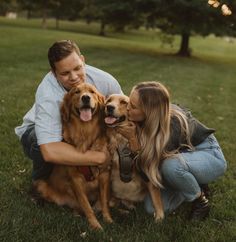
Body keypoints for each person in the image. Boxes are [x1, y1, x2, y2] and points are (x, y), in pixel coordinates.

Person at [116, 81, 227, 220]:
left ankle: (200, 201)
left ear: (149, 112)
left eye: (133, 106)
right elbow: (147, 175)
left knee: (170, 167)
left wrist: (133, 140)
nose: (127, 109)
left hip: (208, 154)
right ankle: (193, 182)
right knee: (151, 208)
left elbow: (148, 168)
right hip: (182, 158)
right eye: (128, 103)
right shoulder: (144, 122)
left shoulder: (172, 126)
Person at [15, 40, 123, 182]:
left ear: (82, 60)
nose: (74, 77)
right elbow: (49, 151)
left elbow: (124, 112)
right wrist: (100, 158)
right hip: (37, 133)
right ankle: (41, 180)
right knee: (39, 139)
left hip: (82, 130)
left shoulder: (105, 80)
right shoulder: (48, 95)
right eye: (65, 73)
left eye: (77, 68)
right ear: (53, 73)